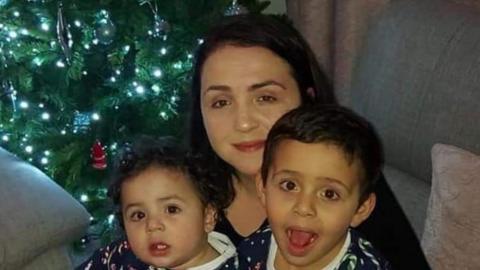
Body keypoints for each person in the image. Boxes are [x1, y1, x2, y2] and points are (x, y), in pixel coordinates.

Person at [189, 14, 429, 269]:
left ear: (308, 99)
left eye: (266, 98)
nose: (244, 123)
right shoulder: (178, 191)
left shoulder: (348, 180)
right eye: (221, 102)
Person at [238, 105, 391, 270]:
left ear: (360, 209)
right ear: (263, 187)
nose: (304, 207)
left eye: (329, 194)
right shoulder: (255, 247)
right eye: (289, 185)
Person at [76, 136, 240, 270]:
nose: (152, 225)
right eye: (139, 215)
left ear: (208, 217)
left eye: (171, 209)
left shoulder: (243, 264)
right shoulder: (119, 257)